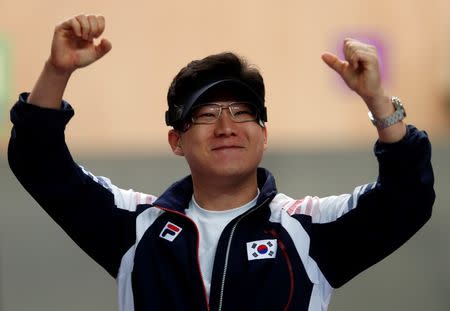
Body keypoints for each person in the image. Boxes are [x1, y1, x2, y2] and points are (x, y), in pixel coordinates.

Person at [8, 14, 435, 311]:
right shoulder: (137, 226)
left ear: (263, 135)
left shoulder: (308, 230)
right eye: (207, 114)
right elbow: (38, 161)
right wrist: (56, 70)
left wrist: (378, 101)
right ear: (176, 140)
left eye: (243, 111)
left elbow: (407, 198)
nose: (227, 125)